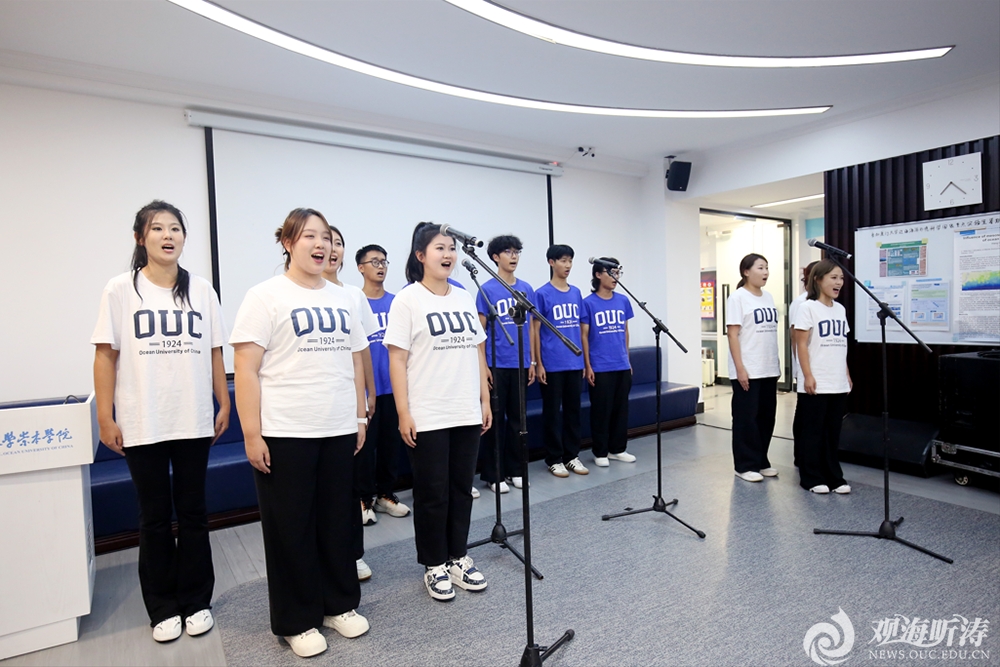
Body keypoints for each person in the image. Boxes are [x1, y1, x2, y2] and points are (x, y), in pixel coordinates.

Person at [231, 208, 370, 658]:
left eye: (326, 237)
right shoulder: (264, 296)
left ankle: (338, 604)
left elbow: (354, 360)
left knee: (336, 522)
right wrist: (252, 434)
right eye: (309, 236)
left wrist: (359, 417)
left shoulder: (345, 298)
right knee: (290, 528)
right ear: (288, 243)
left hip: (337, 427)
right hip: (285, 431)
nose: (321, 244)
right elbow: (246, 370)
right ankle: (297, 619)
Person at [91, 200, 228, 643]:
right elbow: (105, 355)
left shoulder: (201, 290)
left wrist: (223, 402)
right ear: (140, 238)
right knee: (152, 517)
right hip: (142, 419)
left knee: (193, 512)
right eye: (157, 229)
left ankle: (197, 601)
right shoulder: (120, 289)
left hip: (192, 417)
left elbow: (215, 352)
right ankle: (163, 607)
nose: (168, 236)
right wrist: (105, 416)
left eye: (175, 228)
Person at [384, 222, 492, 602]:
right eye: (439, 248)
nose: (448, 255)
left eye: (451, 248)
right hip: (427, 412)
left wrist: (484, 400)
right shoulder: (407, 300)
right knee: (433, 493)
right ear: (420, 255)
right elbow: (397, 360)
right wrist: (403, 412)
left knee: (462, 489)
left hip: (465, 409)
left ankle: (458, 556)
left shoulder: (463, 296)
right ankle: (434, 564)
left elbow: (477, 350)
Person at [321, 226, 381, 531]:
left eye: (338, 243)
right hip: (323, 396)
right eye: (327, 242)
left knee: (358, 456)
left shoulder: (354, 295)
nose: (332, 249)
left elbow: (364, 348)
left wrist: (370, 391)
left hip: (352, 393)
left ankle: (362, 504)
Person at [354, 243, 411, 520]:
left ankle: (385, 495)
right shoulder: (355, 303)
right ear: (360, 268)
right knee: (365, 448)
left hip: (394, 387)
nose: (380, 267)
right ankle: (363, 499)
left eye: (384, 262)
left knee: (391, 445)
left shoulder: (398, 302)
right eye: (374, 262)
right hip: (365, 390)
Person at [476, 234, 537, 493]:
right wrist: (484, 367)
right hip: (496, 364)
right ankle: (494, 474)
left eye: (516, 252)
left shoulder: (526, 289)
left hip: (520, 363)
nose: (513, 257)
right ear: (495, 257)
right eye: (508, 252)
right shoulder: (486, 290)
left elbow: (531, 328)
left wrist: (532, 360)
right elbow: (480, 333)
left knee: (518, 422)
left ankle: (516, 470)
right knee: (495, 422)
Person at [792, 259, 852, 494]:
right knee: (812, 432)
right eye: (833, 278)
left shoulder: (840, 309)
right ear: (818, 280)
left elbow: (841, 345)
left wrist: (846, 374)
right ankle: (811, 478)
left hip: (837, 381)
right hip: (816, 380)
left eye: (841, 278)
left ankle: (834, 477)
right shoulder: (807, 308)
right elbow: (801, 344)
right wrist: (807, 375)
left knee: (832, 432)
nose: (839, 283)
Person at [533, 244, 588, 477]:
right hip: (552, 364)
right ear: (551, 262)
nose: (567, 265)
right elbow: (535, 331)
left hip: (574, 363)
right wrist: (538, 363)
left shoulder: (576, 293)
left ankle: (572, 456)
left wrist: (583, 362)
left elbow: (581, 329)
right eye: (563, 260)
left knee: (574, 412)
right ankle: (554, 458)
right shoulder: (542, 293)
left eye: (570, 261)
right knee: (552, 413)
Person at [726, 253, 780, 483]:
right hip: (748, 368)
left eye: (767, 267)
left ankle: (760, 460)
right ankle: (745, 465)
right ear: (746, 272)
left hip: (768, 367)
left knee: (766, 418)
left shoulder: (768, 297)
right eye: (760, 267)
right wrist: (740, 368)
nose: (765, 272)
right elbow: (733, 334)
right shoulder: (737, 298)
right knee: (746, 419)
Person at [581, 258, 636, 467]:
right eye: (611, 272)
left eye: (618, 272)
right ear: (598, 275)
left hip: (621, 364)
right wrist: (588, 365)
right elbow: (584, 336)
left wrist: (627, 359)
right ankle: (600, 451)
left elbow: (625, 331)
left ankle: (618, 449)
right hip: (600, 366)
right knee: (601, 411)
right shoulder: (588, 303)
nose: (615, 277)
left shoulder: (623, 301)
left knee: (621, 409)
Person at [789, 260, 819, 467]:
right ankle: (800, 456)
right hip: (805, 369)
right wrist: (800, 370)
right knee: (804, 414)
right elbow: (795, 339)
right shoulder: (801, 303)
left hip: (821, 369)